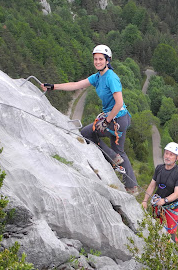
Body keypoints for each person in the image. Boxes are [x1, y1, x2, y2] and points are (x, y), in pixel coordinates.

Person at [41, 44, 138, 195]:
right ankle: (131, 186)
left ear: (107, 60)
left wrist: (106, 121)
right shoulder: (97, 77)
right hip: (118, 119)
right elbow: (76, 85)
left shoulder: (111, 77)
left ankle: (113, 158)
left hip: (117, 119)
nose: (98, 61)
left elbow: (119, 103)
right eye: (95, 59)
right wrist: (53, 87)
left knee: (87, 133)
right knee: (119, 151)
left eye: (101, 59)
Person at [142, 142, 178, 242]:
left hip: (171, 207)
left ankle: (176, 251)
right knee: (156, 228)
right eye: (166, 153)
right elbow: (152, 185)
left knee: (170, 233)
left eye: (171, 155)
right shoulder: (159, 168)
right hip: (158, 206)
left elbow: (176, 193)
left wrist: (164, 200)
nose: (168, 156)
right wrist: (145, 200)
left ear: (176, 158)